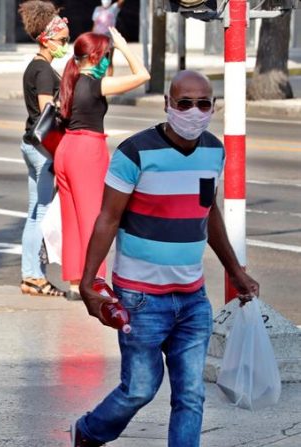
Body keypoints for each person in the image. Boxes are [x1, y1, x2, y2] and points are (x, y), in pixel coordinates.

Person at [70, 71, 260, 447]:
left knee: (190, 396)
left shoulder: (213, 151)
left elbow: (208, 211)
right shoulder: (135, 152)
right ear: (168, 105)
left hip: (192, 299)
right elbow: (108, 218)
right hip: (141, 298)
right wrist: (89, 281)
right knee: (139, 389)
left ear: (213, 107)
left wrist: (235, 271)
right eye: (184, 103)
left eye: (203, 104)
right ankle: (90, 431)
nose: (194, 112)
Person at [54, 28, 149, 300]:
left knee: (71, 220)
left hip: (66, 149)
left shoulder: (70, 79)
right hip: (87, 149)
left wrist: (112, 53)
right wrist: (123, 46)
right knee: (94, 218)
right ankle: (93, 281)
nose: (109, 59)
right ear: (96, 57)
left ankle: (74, 283)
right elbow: (143, 75)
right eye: (106, 55)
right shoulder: (96, 85)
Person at [17, 1, 69, 297]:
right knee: (42, 214)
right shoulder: (45, 72)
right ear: (47, 38)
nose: (65, 45)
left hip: (30, 145)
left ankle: (30, 275)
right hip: (43, 149)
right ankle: (33, 275)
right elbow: (48, 113)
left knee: (35, 211)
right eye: (62, 41)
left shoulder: (35, 67)